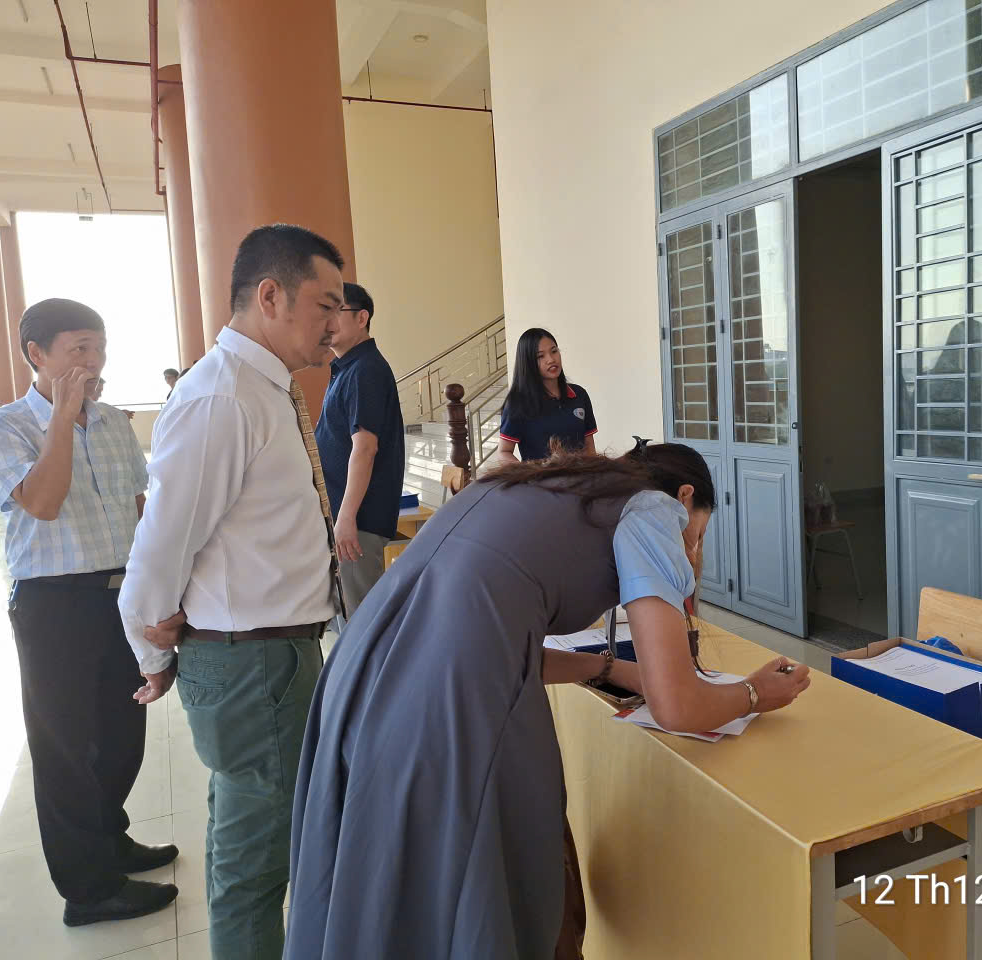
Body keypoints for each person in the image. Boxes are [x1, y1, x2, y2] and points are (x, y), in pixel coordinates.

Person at [284, 441, 811, 959]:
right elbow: (677, 708)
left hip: (363, 677)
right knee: (483, 892)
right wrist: (753, 693)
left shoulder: (531, 487)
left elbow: (492, 643)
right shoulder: (654, 510)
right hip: (441, 709)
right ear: (685, 497)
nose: (691, 552)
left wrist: (609, 669)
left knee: (390, 897)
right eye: (697, 535)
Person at [117, 223, 347, 960]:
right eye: (326, 304)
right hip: (253, 664)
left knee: (254, 847)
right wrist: (153, 652)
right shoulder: (221, 397)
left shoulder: (264, 389)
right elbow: (161, 545)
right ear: (271, 296)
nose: (336, 323)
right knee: (254, 870)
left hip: (272, 655)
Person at [0, 299, 178, 927]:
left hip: (119, 595)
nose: (94, 362)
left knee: (121, 734)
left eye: (99, 348)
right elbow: (43, 502)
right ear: (36, 354)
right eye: (78, 349)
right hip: (54, 605)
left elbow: (140, 510)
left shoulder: (115, 423)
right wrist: (61, 419)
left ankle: (109, 840)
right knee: (65, 748)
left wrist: (161, 594)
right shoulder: (6, 426)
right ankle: (88, 891)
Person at [313, 281, 404, 631]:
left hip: (357, 522)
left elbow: (365, 448)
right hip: (346, 518)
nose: (328, 321)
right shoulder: (348, 368)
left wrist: (347, 516)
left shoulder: (366, 369)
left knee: (363, 628)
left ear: (362, 318)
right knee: (349, 625)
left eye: (337, 311)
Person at [492, 327, 597, 466]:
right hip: (539, 479)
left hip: (579, 477)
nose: (551, 359)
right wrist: (527, 473)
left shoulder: (579, 395)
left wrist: (593, 472)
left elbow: (589, 448)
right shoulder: (518, 403)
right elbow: (504, 452)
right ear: (528, 363)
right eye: (540, 356)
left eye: (554, 351)